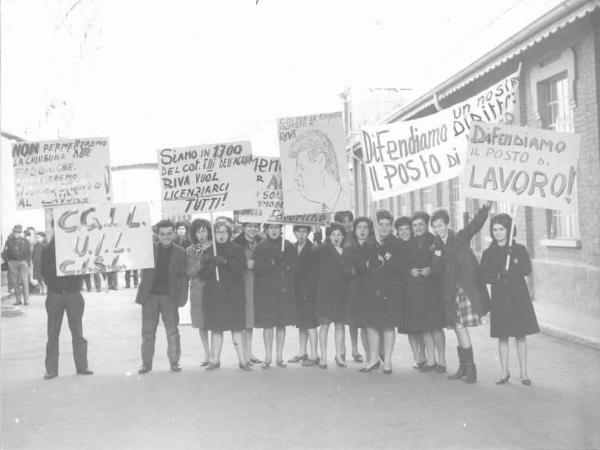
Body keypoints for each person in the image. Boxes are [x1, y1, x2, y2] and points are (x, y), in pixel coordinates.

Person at [431, 203, 491, 384]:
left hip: (464, 290)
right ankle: (465, 367)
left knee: (460, 327)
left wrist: (485, 209)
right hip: (450, 294)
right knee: (458, 328)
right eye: (434, 227)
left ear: (447, 224)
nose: (438, 229)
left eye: (440, 225)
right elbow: (435, 271)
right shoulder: (435, 246)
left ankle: (470, 369)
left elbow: (475, 225)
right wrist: (437, 256)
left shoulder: (459, 238)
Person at [480, 213, 539, 386]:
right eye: (495, 229)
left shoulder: (518, 249)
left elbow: (527, 270)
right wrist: (498, 275)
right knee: (503, 336)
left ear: (509, 230)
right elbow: (483, 276)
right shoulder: (488, 252)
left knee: (520, 335)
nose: (497, 233)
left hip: (518, 297)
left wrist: (514, 262)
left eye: (501, 229)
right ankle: (504, 371)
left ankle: (524, 373)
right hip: (500, 298)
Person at [136, 219, 188, 374]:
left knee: (172, 332)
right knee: (147, 333)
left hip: (170, 297)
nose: (166, 237)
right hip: (150, 297)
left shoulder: (180, 252)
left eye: (169, 234)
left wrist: (183, 297)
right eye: (162, 234)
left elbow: (184, 277)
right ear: (157, 234)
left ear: (173, 234)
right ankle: (146, 364)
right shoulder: (148, 250)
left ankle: (174, 362)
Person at [357, 210, 405, 374]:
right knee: (371, 325)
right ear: (375, 226)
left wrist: (386, 257)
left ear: (392, 227)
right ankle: (373, 359)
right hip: (372, 290)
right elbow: (362, 266)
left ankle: (388, 361)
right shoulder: (369, 243)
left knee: (388, 325)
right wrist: (372, 260)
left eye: (387, 225)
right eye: (380, 225)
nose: (384, 228)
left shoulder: (397, 243)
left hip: (390, 290)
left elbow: (401, 267)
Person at [199, 220, 250, 371]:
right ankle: (214, 360)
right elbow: (202, 274)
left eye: (224, 232)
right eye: (218, 232)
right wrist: (209, 264)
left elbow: (242, 269)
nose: (221, 235)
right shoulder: (208, 250)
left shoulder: (237, 249)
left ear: (230, 233)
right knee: (216, 328)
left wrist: (225, 261)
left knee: (237, 328)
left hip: (233, 295)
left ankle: (243, 360)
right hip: (215, 295)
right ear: (214, 234)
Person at [41, 235, 93, 379]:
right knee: (52, 333)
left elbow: (85, 267)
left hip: (73, 293)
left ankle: (82, 366)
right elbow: (44, 272)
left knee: (78, 331)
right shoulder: (47, 250)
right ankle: (51, 369)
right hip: (55, 294)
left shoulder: (77, 247)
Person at [402, 212, 446, 373]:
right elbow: (404, 265)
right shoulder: (410, 244)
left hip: (432, 287)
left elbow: (441, 262)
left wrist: (431, 270)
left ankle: (442, 360)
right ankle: (431, 360)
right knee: (425, 326)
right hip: (416, 288)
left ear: (427, 225)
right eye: (414, 225)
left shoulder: (435, 241)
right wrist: (410, 271)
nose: (417, 228)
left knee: (435, 325)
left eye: (420, 224)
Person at [253, 223, 297, 368]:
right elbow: (256, 268)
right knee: (268, 324)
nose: (274, 231)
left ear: (281, 229)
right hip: (266, 291)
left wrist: (287, 264)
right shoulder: (260, 247)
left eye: (277, 228)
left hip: (283, 290)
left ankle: (279, 356)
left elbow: (295, 267)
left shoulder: (289, 246)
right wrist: (272, 261)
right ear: (266, 230)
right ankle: (267, 357)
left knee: (281, 324)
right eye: (271, 228)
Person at [286, 130, 350, 213]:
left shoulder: (344, 203)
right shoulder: (315, 206)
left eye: (302, 168)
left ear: (321, 161)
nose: (296, 177)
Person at [316, 222, 350, 368]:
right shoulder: (324, 249)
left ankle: (338, 355)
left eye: (339, 235)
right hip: (326, 292)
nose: (336, 237)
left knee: (340, 325)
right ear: (329, 236)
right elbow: (315, 252)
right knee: (324, 325)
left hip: (341, 292)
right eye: (333, 235)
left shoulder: (346, 251)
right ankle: (323, 357)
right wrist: (317, 235)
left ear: (343, 236)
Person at [395, 216, 427, 369]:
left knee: (419, 324)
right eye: (400, 230)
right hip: (402, 290)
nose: (404, 232)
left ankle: (424, 355)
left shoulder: (418, 244)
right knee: (408, 326)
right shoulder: (395, 246)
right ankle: (417, 357)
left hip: (417, 289)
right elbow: (395, 267)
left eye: (407, 229)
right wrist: (408, 271)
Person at [334, 210, 364, 363]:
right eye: (342, 221)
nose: (346, 224)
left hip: (353, 282)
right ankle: (342, 350)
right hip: (339, 283)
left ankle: (355, 349)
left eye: (348, 221)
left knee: (353, 319)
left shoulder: (355, 237)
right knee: (339, 319)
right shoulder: (335, 236)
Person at [288, 225, 320, 367]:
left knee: (310, 323)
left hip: (309, 290)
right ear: (294, 232)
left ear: (308, 233)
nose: (301, 234)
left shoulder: (314, 248)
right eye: (298, 231)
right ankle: (302, 352)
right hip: (296, 290)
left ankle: (314, 354)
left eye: (304, 231)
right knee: (301, 324)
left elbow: (316, 272)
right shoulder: (291, 247)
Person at [233, 221, 263, 365]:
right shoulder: (236, 242)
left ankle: (249, 352)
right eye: (249, 226)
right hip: (241, 282)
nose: (252, 229)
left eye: (255, 227)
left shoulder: (260, 241)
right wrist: (246, 265)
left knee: (250, 319)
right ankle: (243, 354)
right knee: (243, 318)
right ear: (243, 227)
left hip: (256, 283)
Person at [186, 218, 213, 366]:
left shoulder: (215, 246)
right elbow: (190, 271)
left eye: (204, 231)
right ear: (194, 233)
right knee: (201, 323)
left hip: (213, 287)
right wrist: (201, 260)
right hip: (198, 288)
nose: (201, 235)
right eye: (198, 231)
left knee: (214, 321)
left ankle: (214, 353)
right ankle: (207, 353)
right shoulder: (192, 249)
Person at [3, 225, 31, 306]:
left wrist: (26, 261)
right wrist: (8, 261)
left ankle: (26, 300)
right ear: (13, 232)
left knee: (24, 281)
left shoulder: (25, 241)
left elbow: (29, 252)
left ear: (21, 232)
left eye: (18, 232)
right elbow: (4, 251)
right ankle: (18, 300)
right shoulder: (9, 241)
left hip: (23, 262)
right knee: (15, 282)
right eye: (15, 231)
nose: (16, 233)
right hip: (13, 263)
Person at [32, 231, 46, 296]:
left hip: (43, 264)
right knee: (38, 278)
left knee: (42, 278)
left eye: (39, 237)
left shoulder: (45, 245)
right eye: (37, 237)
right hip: (36, 264)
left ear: (43, 238)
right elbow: (33, 254)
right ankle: (41, 288)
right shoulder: (35, 245)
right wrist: (33, 260)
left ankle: (44, 289)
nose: (37, 238)